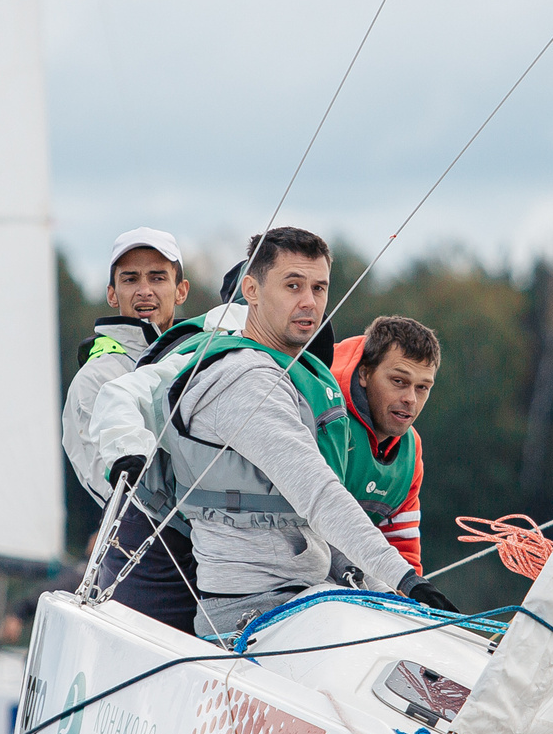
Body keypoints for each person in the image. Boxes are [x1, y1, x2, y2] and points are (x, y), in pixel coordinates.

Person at [117, 225, 454, 639]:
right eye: (293, 285)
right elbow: (317, 493)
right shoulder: (242, 380)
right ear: (252, 291)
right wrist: (406, 581)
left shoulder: (295, 377)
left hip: (308, 599)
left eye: (319, 288)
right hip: (250, 616)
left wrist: (401, 600)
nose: (309, 302)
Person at [60, 227, 203, 634]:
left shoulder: (203, 357)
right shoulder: (96, 378)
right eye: (130, 279)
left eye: (158, 277)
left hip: (213, 564)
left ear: (181, 290)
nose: (145, 290)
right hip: (144, 568)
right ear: (111, 294)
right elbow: (114, 490)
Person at [330, 314, 440, 576]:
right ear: (365, 373)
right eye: (399, 381)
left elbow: (402, 548)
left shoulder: (411, 450)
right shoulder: (325, 419)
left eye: (422, 387)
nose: (411, 399)